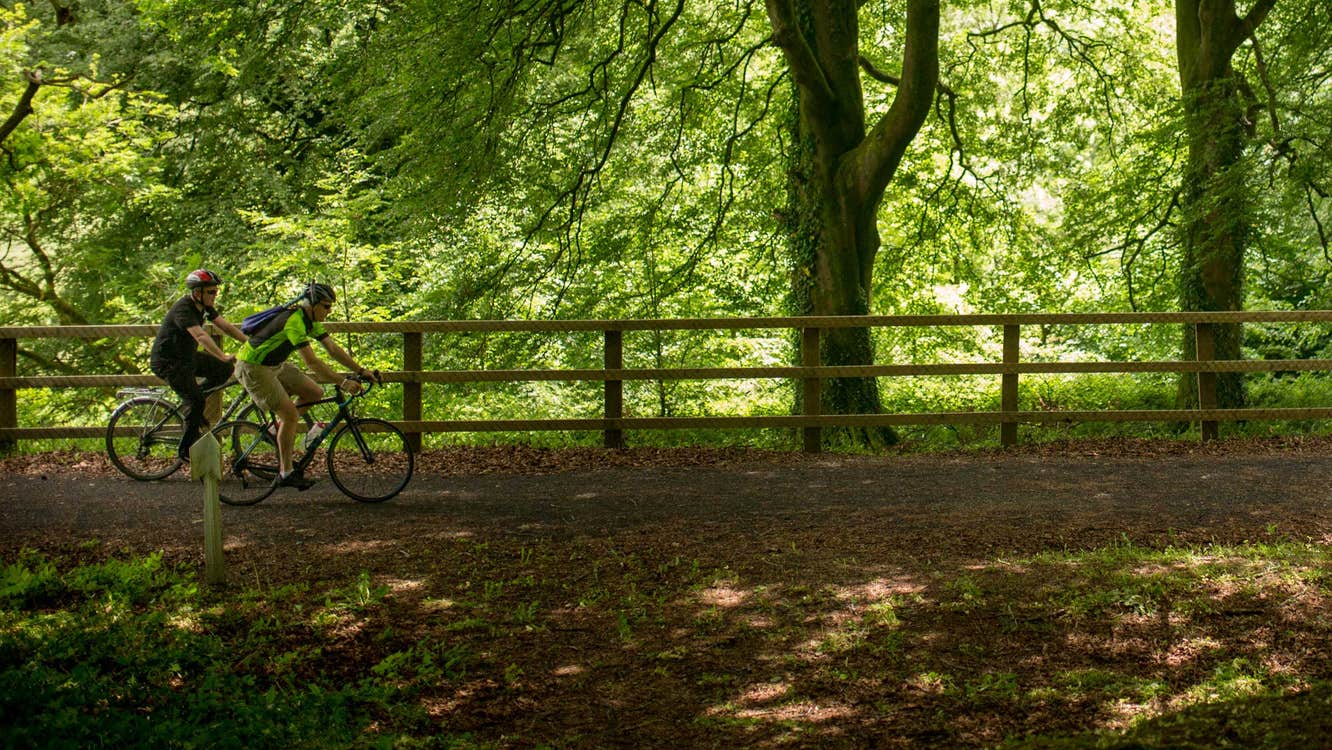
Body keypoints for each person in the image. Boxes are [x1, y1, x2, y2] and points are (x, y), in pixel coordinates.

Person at [234, 282, 379, 490]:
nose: (329, 311)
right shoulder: (294, 321)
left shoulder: (310, 320)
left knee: (314, 392)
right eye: (326, 306)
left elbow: (333, 349)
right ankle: (286, 472)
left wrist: (361, 370)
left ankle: (275, 431)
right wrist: (343, 382)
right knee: (291, 416)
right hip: (254, 367)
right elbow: (312, 362)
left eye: (331, 307)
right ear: (312, 305)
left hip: (274, 365)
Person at [149, 269, 248, 462]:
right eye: (211, 292)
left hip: (187, 358)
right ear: (197, 293)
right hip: (168, 362)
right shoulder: (184, 309)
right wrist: (223, 355)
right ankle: (185, 450)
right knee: (196, 402)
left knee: (223, 369)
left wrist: (250, 343)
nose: (214, 295)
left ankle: (195, 399)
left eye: (216, 292)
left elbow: (225, 326)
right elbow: (201, 336)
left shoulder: (204, 306)